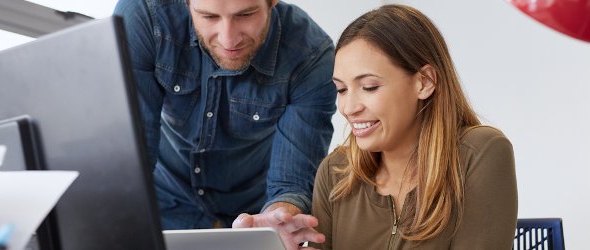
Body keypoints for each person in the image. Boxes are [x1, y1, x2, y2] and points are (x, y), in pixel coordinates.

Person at [112, 0, 336, 241]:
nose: (229, 40)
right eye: (209, 17)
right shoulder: (145, 16)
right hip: (162, 206)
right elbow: (133, 156)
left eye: (246, 15)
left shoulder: (311, 54)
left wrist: (279, 218)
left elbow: (291, 182)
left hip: (253, 218)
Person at [311, 4, 518, 249]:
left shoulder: (479, 153)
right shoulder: (335, 173)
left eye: (369, 87)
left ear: (425, 82)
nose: (348, 107)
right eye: (342, 89)